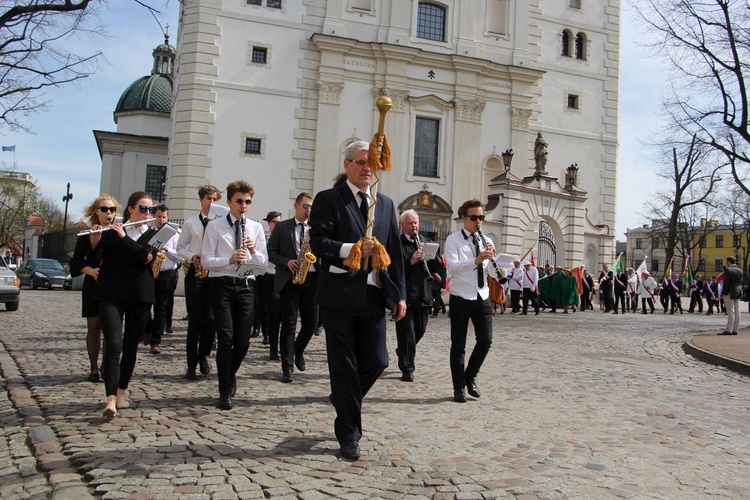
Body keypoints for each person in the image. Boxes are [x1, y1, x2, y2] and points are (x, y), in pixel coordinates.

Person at [309, 140, 406, 461]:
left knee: (378, 361)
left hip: (373, 296)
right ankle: (349, 433)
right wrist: (350, 248)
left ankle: (344, 399)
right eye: (361, 162)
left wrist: (399, 295)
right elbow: (319, 243)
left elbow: (394, 254)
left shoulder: (386, 204)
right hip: (338, 295)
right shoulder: (328, 199)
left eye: (373, 163)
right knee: (344, 365)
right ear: (347, 165)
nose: (368, 168)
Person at [201, 180, 267, 410]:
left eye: (247, 201)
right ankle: (225, 390)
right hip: (222, 285)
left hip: (246, 286)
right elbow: (207, 260)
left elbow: (263, 264)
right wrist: (227, 260)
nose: (243, 205)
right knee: (226, 338)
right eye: (239, 201)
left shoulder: (256, 228)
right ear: (229, 202)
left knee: (243, 341)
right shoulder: (215, 226)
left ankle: (229, 374)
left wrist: (253, 250)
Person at [95, 192, 156, 418]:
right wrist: (94, 243)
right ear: (130, 209)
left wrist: (124, 239)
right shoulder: (112, 231)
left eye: (150, 210)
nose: (147, 214)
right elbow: (95, 257)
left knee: (130, 346)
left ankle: (121, 393)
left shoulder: (152, 234)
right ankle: (110, 399)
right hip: (112, 293)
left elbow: (144, 257)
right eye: (143, 209)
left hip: (140, 295)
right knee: (113, 344)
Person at [444, 199, 494, 404]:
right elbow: (453, 268)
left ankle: (470, 376)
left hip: (482, 296)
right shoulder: (453, 240)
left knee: (486, 340)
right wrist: (476, 260)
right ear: (464, 218)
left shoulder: (485, 240)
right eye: (474, 217)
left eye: (481, 217)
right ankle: (458, 388)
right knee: (459, 345)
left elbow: (490, 270)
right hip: (461, 297)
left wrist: (497, 264)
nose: (478, 221)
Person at [267, 193, 319, 383]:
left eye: (311, 207)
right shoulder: (282, 227)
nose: (308, 210)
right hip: (290, 280)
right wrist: (286, 261)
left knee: (311, 323)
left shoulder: (316, 229)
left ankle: (297, 349)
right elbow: (270, 251)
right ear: (296, 206)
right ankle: (287, 367)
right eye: (305, 206)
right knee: (289, 324)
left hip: (311, 278)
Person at [69, 194, 118, 382]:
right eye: (104, 209)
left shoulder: (117, 233)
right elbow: (76, 262)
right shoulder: (87, 235)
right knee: (94, 327)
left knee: (110, 328)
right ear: (96, 212)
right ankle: (93, 368)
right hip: (93, 284)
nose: (108, 213)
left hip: (112, 285)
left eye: (112, 209)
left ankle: (108, 366)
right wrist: (88, 268)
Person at [177, 185, 221, 380]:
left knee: (211, 319)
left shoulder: (221, 224)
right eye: (208, 199)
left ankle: (204, 354)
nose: (211, 203)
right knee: (195, 321)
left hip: (214, 272)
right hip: (195, 272)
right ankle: (191, 364)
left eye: (214, 199)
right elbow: (180, 247)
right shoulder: (190, 222)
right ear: (201, 200)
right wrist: (191, 256)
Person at [395, 209, 434, 382]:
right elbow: (394, 268)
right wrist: (410, 261)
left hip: (424, 294)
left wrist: (432, 256)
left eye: (416, 222)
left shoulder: (425, 241)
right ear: (402, 225)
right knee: (407, 334)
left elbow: (437, 267)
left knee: (420, 330)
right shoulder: (397, 242)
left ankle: (403, 351)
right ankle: (407, 368)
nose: (414, 226)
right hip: (406, 295)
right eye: (410, 223)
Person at [144, 204, 181, 354]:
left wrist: (166, 249)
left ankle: (156, 341)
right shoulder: (148, 233)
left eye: (164, 217)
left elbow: (180, 256)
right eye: (159, 217)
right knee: (145, 306)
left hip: (167, 274)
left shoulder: (174, 234)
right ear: (154, 217)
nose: (161, 219)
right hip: (149, 274)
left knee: (161, 308)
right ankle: (148, 329)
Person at [259, 211, 282, 359]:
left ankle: (282, 346)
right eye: (274, 222)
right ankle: (272, 344)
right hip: (268, 276)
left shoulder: (284, 236)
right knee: (268, 311)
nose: (277, 224)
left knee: (282, 315)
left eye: (279, 222)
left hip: (282, 277)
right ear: (269, 222)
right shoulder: (264, 237)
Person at [719, 256, 743, 335]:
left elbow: (726, 283)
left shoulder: (728, 270)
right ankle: (735, 329)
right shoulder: (740, 270)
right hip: (737, 291)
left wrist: (723, 293)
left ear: (729, 262)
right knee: (737, 310)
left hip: (729, 292)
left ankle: (729, 329)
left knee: (730, 311)